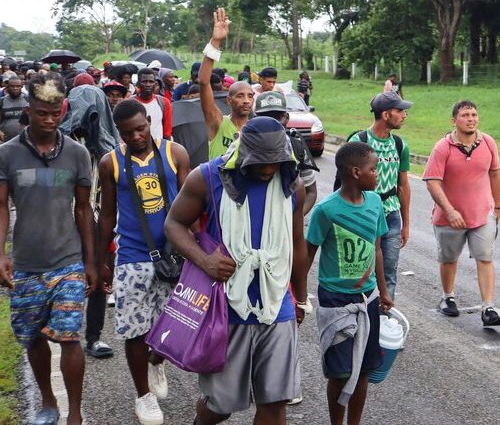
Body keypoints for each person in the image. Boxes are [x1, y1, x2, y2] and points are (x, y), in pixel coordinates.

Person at [164, 116, 307, 425]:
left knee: (274, 401)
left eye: (275, 161)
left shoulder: (292, 183)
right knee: (221, 405)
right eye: (260, 163)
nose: (269, 169)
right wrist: (205, 261)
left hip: (276, 306)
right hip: (226, 308)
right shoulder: (207, 177)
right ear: (243, 152)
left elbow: (297, 244)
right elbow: (173, 224)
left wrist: (302, 298)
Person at [0, 77, 96, 425]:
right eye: (42, 113)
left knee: (70, 337)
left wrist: (91, 261)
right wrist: (1, 254)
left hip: (67, 261)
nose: (50, 120)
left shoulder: (77, 153)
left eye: (56, 113)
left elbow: (84, 210)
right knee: (32, 337)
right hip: (26, 263)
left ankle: (74, 412)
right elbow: (0, 206)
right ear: (29, 111)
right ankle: (47, 401)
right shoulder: (7, 153)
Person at [97, 99, 190, 425]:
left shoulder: (174, 153)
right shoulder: (110, 163)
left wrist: (195, 252)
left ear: (149, 121)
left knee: (174, 327)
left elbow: (191, 206)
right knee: (135, 331)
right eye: (127, 133)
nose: (136, 136)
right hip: (132, 257)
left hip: (174, 255)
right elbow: (107, 214)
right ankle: (144, 397)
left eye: (140, 128)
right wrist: (100, 261)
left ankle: (156, 359)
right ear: (119, 132)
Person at [306, 142, 392, 425]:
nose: (377, 174)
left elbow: (377, 248)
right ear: (356, 172)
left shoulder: (376, 202)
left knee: (364, 369)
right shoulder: (326, 210)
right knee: (340, 372)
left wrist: (383, 289)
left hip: (366, 300)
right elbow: (308, 255)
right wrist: (295, 296)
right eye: (373, 169)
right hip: (335, 301)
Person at [422, 100, 500, 327]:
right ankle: (447, 297)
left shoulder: (488, 142)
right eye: (466, 115)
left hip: (482, 214)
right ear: (454, 121)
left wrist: (497, 206)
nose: (471, 119)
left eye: (474, 115)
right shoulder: (443, 147)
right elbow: (432, 182)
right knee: (449, 259)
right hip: (450, 217)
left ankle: (488, 307)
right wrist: (449, 211)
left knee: (485, 257)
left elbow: (495, 174)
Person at [347, 92, 411, 300]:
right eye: (399, 110)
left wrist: (406, 223)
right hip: (363, 215)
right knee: (361, 270)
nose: (404, 115)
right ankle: (360, 314)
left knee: (389, 272)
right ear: (385, 114)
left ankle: (384, 319)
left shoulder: (400, 145)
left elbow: (403, 185)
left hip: (391, 216)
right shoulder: (359, 141)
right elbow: (346, 183)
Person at [199, 7, 255, 160]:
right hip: (218, 184)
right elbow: (204, 82)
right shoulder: (217, 122)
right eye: (240, 96)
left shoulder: (256, 130)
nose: (246, 101)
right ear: (228, 100)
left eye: (250, 96)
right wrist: (215, 42)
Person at [254, 91, 318, 214]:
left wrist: (293, 219)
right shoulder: (243, 147)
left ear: (287, 118)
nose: (272, 123)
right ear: (254, 118)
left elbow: (311, 192)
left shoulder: (297, 147)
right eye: (266, 117)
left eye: (277, 117)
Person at [133, 68, 172, 141]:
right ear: (138, 84)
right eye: (144, 82)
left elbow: (167, 133)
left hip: (158, 148)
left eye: (151, 82)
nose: (148, 85)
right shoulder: (130, 103)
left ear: (155, 83)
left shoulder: (163, 102)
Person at [0, 75, 28, 142]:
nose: (15, 88)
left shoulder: (28, 100)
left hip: (25, 141)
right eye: (12, 86)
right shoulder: (2, 101)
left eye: (18, 86)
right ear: (7, 87)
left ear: (21, 87)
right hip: (5, 141)